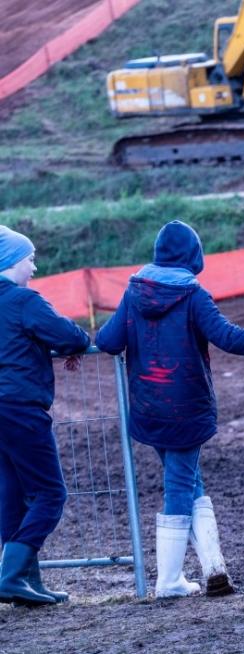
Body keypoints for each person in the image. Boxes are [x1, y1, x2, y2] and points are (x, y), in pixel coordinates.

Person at [96, 220, 244, 599]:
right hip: (186, 408)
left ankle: (214, 568)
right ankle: (169, 581)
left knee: (188, 479)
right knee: (180, 484)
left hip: (147, 406)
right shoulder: (193, 295)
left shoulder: (134, 292)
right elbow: (230, 338)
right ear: (194, 257)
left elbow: (108, 340)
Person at [0, 226, 90, 606]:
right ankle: (9, 577)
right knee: (52, 493)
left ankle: (26, 584)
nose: (35, 267)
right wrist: (77, 344)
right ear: (10, 261)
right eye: (30, 259)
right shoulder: (23, 301)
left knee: (12, 495)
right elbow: (70, 335)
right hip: (20, 407)